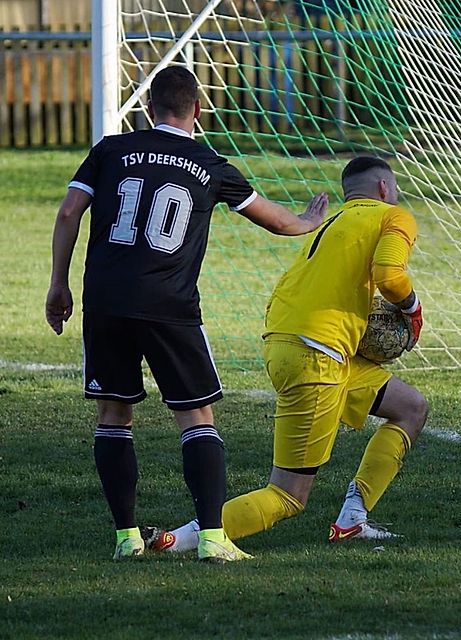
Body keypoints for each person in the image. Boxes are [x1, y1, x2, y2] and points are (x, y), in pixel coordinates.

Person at [45, 66, 328, 563]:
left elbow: (69, 212)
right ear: (197, 109)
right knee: (196, 417)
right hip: (170, 306)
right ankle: (213, 539)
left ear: (148, 108)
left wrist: (58, 283)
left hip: (106, 302)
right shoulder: (210, 164)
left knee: (113, 415)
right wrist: (308, 220)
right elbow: (277, 222)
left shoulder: (110, 150)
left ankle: (127, 539)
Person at [148, 156, 428, 555]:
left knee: (411, 408)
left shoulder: (335, 221)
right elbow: (390, 275)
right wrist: (413, 311)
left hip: (297, 343)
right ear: (384, 188)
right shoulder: (393, 216)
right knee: (288, 494)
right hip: (317, 354)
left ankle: (352, 519)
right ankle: (181, 540)